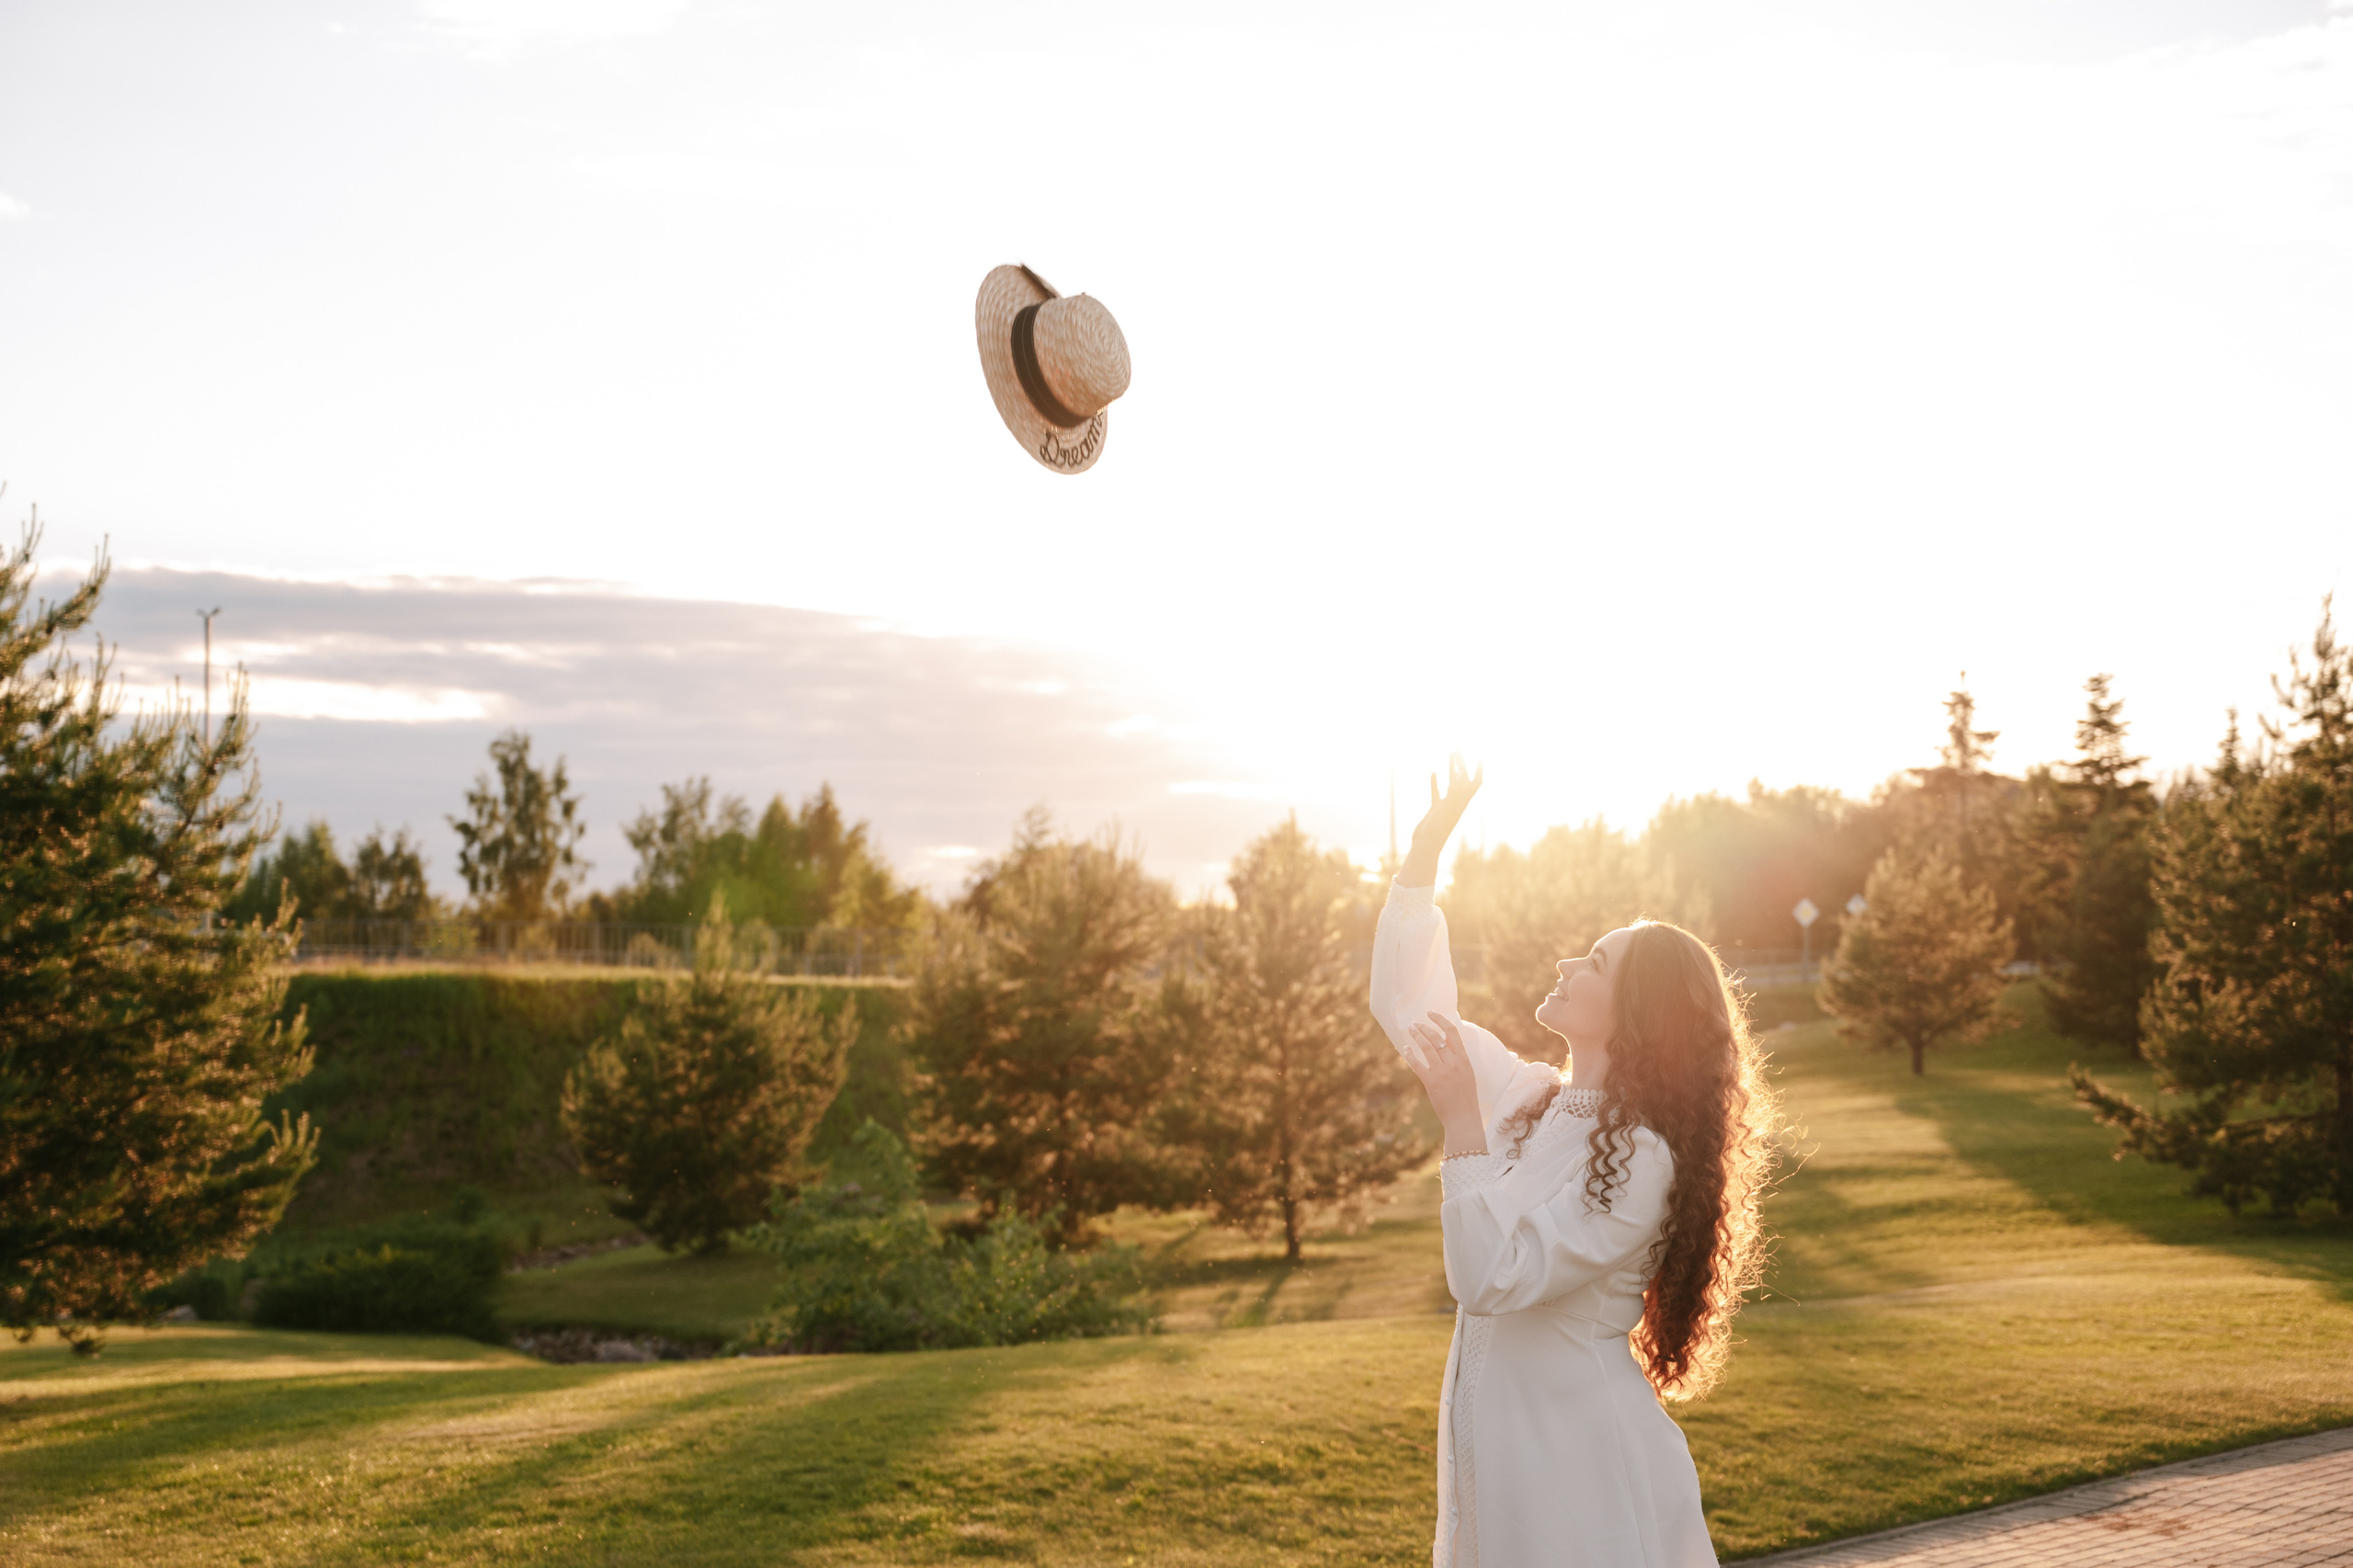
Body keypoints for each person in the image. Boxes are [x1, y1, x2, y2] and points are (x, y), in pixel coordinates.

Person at [1370, 757, 1777, 1568]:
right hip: (1508, 1451)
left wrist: (1461, 1125)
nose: (1565, 965)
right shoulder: (1531, 1098)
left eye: (1593, 963)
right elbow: (1411, 1007)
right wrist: (1423, 853)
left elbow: (1490, 1277)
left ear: (1637, 1014)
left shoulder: (1643, 1160)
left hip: (1579, 1466)